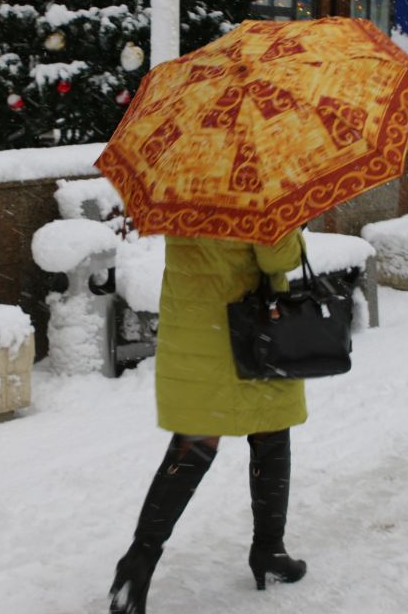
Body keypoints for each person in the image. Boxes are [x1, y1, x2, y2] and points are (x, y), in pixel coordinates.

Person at [109, 228, 308, 614]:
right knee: (270, 432)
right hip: (251, 330)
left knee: (194, 443)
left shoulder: (185, 193)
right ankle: (269, 550)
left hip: (195, 328)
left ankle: (138, 563)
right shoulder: (255, 194)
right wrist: (294, 234)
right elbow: (277, 258)